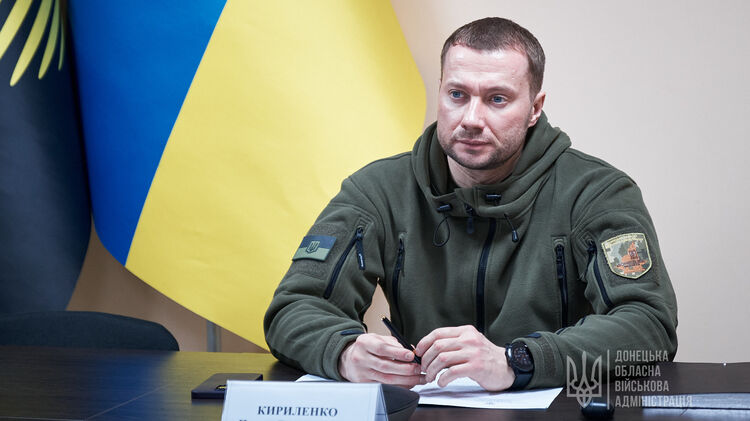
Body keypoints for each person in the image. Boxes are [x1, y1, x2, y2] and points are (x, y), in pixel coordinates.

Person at [264, 17, 677, 391]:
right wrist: (343, 352)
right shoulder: (377, 191)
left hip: (555, 409)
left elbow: (648, 325)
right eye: (457, 94)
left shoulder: (597, 192)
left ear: (535, 108)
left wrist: (517, 361)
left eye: (497, 99)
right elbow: (293, 309)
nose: (471, 119)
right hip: (423, 407)